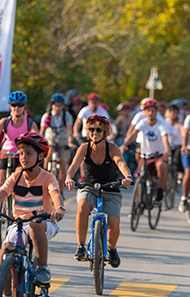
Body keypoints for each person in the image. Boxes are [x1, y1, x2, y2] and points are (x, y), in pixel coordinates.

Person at [0, 132, 65, 288]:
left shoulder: (47, 177)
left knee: (34, 226)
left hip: (44, 222)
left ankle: (43, 268)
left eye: (29, 153)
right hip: (19, 223)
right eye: (21, 153)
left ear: (40, 156)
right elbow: (1, 193)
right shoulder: (16, 176)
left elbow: (55, 193)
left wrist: (59, 209)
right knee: (5, 249)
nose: (23, 157)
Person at [66, 115, 132, 267]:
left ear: (105, 132)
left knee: (114, 223)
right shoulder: (84, 148)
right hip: (89, 187)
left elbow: (121, 163)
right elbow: (73, 167)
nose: (94, 133)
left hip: (111, 188)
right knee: (82, 208)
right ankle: (81, 246)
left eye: (98, 130)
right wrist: (69, 178)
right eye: (91, 129)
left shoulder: (112, 148)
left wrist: (127, 176)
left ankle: (112, 249)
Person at [0, 91, 39, 192]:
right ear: (10, 106)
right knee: (0, 183)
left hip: (21, 156)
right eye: (14, 105)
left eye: (20, 105)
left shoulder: (30, 123)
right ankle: (2, 206)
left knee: (18, 179)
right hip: (5, 154)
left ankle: (15, 204)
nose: (17, 108)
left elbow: (36, 137)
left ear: (24, 107)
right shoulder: (5, 121)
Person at [120, 99, 170, 201]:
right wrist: (124, 144)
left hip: (157, 155)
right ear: (145, 112)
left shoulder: (161, 123)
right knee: (141, 175)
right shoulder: (142, 122)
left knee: (161, 166)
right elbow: (133, 134)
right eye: (148, 111)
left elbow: (165, 137)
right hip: (145, 154)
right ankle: (137, 202)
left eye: (153, 110)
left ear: (156, 111)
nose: (150, 113)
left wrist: (167, 150)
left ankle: (160, 189)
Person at [40, 94, 75, 187]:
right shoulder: (46, 116)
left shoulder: (67, 116)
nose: (58, 108)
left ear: (63, 106)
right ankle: (44, 172)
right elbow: (42, 132)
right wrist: (39, 142)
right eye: (56, 105)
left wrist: (70, 142)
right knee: (49, 150)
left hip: (63, 142)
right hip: (50, 140)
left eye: (60, 105)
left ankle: (61, 190)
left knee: (63, 163)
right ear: (52, 106)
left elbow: (69, 132)